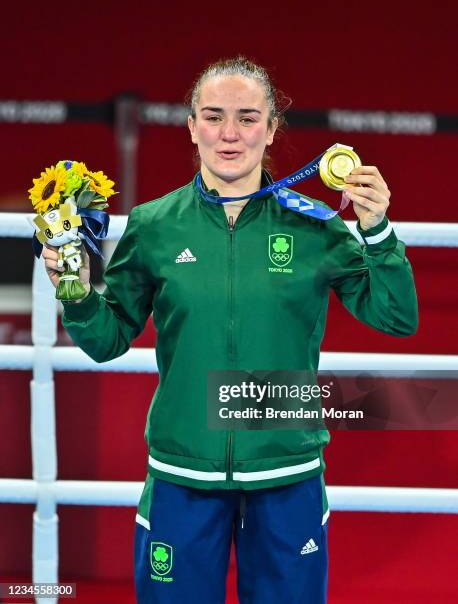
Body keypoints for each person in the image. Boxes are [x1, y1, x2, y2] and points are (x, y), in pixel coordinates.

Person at [42, 56, 418, 604]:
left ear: (271, 129)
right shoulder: (152, 226)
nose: (230, 134)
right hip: (181, 472)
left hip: (287, 470)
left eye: (247, 118)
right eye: (214, 116)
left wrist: (378, 231)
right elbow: (107, 340)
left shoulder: (316, 225)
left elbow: (396, 317)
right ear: (192, 126)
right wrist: (75, 293)